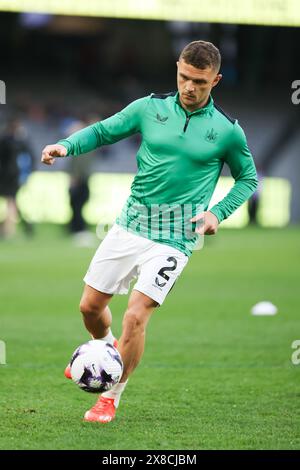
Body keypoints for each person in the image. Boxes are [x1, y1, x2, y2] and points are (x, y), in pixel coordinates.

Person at [41, 41, 258, 424]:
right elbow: (105, 132)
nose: (190, 87)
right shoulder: (149, 108)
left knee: (135, 316)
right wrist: (65, 145)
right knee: (90, 308)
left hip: (176, 236)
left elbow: (248, 178)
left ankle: (110, 396)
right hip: (130, 225)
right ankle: (105, 352)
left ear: (216, 80)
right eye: (184, 77)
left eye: (201, 82)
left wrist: (217, 212)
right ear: (177, 68)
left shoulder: (227, 131)